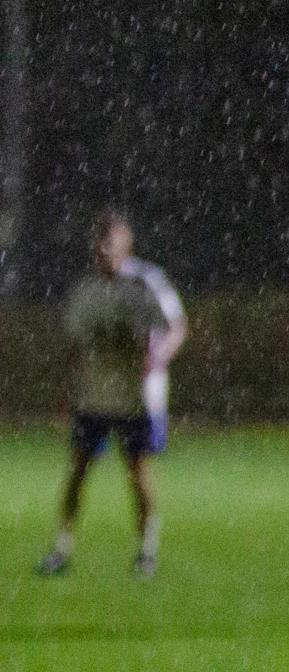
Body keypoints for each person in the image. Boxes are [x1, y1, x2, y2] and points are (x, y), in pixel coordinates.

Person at [37, 211, 185, 578]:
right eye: (100, 244)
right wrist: (66, 389)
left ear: (125, 245)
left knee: (137, 472)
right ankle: (61, 548)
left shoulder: (144, 283)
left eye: (112, 244)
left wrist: (157, 360)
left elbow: (176, 327)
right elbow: (75, 345)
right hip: (94, 397)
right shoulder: (87, 289)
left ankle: (147, 551)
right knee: (78, 471)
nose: (104, 251)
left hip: (134, 396)